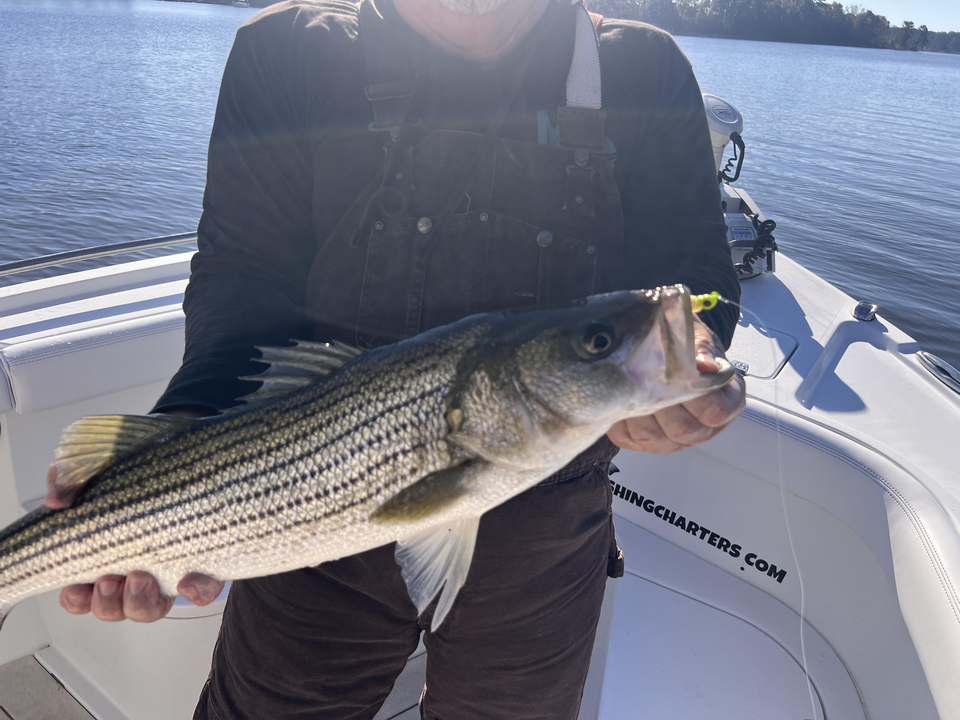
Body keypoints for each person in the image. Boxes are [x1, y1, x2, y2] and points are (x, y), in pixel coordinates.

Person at [46, 0, 745, 716]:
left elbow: (697, 289)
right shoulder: (291, 51)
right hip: (303, 503)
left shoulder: (643, 71)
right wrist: (178, 448)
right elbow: (243, 274)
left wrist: (700, 361)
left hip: (544, 536)